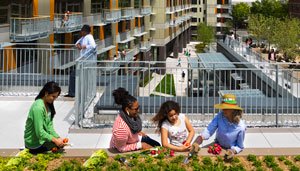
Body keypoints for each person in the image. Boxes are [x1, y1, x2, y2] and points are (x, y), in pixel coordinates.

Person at [194, 94, 246, 159]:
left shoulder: (241, 127)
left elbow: (240, 146)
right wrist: (199, 139)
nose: (223, 110)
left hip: (229, 150)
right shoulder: (220, 116)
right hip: (217, 145)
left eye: (226, 108)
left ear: (233, 110)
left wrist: (232, 151)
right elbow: (209, 130)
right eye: (223, 107)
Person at [110, 87, 160, 152]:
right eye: (136, 109)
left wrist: (137, 132)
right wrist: (141, 145)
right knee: (156, 148)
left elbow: (131, 127)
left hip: (133, 139)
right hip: (122, 147)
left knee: (157, 145)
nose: (138, 111)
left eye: (138, 107)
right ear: (127, 109)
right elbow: (121, 148)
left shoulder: (129, 115)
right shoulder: (121, 128)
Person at [24, 81, 65, 154]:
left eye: (56, 97)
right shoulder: (38, 108)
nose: (54, 99)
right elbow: (39, 132)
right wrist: (55, 140)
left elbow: (49, 126)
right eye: (53, 96)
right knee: (57, 147)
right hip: (34, 144)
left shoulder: (48, 104)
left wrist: (57, 137)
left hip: (41, 140)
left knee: (60, 144)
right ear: (46, 93)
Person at [65, 25, 96, 97]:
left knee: (74, 75)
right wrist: (78, 45)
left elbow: (93, 46)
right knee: (77, 75)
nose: (81, 32)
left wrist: (84, 46)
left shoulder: (89, 37)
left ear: (85, 31)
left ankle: (73, 93)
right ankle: (74, 92)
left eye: (82, 31)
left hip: (87, 60)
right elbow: (77, 43)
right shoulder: (84, 37)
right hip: (84, 60)